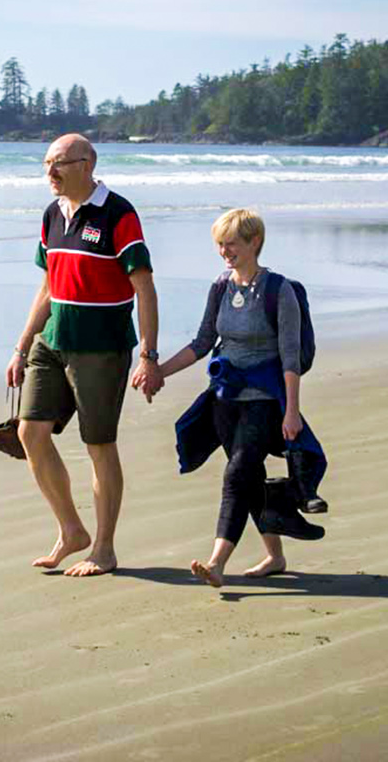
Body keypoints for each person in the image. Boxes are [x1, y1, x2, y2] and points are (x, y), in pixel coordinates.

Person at [145, 208, 328, 588]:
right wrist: (158, 372)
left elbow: (291, 356)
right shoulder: (220, 286)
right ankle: (275, 556)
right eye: (219, 244)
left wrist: (292, 411)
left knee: (236, 473)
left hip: (265, 399)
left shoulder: (280, 291)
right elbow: (202, 342)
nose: (224, 251)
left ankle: (216, 562)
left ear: (254, 242)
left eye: (231, 244)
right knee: (249, 476)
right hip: (225, 399)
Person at [6, 134, 162, 577]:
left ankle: (105, 549)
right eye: (46, 165)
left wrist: (148, 355)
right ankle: (71, 531)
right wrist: (21, 346)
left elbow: (144, 288)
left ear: (87, 164)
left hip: (101, 348)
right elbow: (48, 286)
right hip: (51, 341)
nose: (50, 173)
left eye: (59, 163)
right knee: (30, 433)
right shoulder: (51, 215)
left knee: (98, 445)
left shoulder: (119, 213)